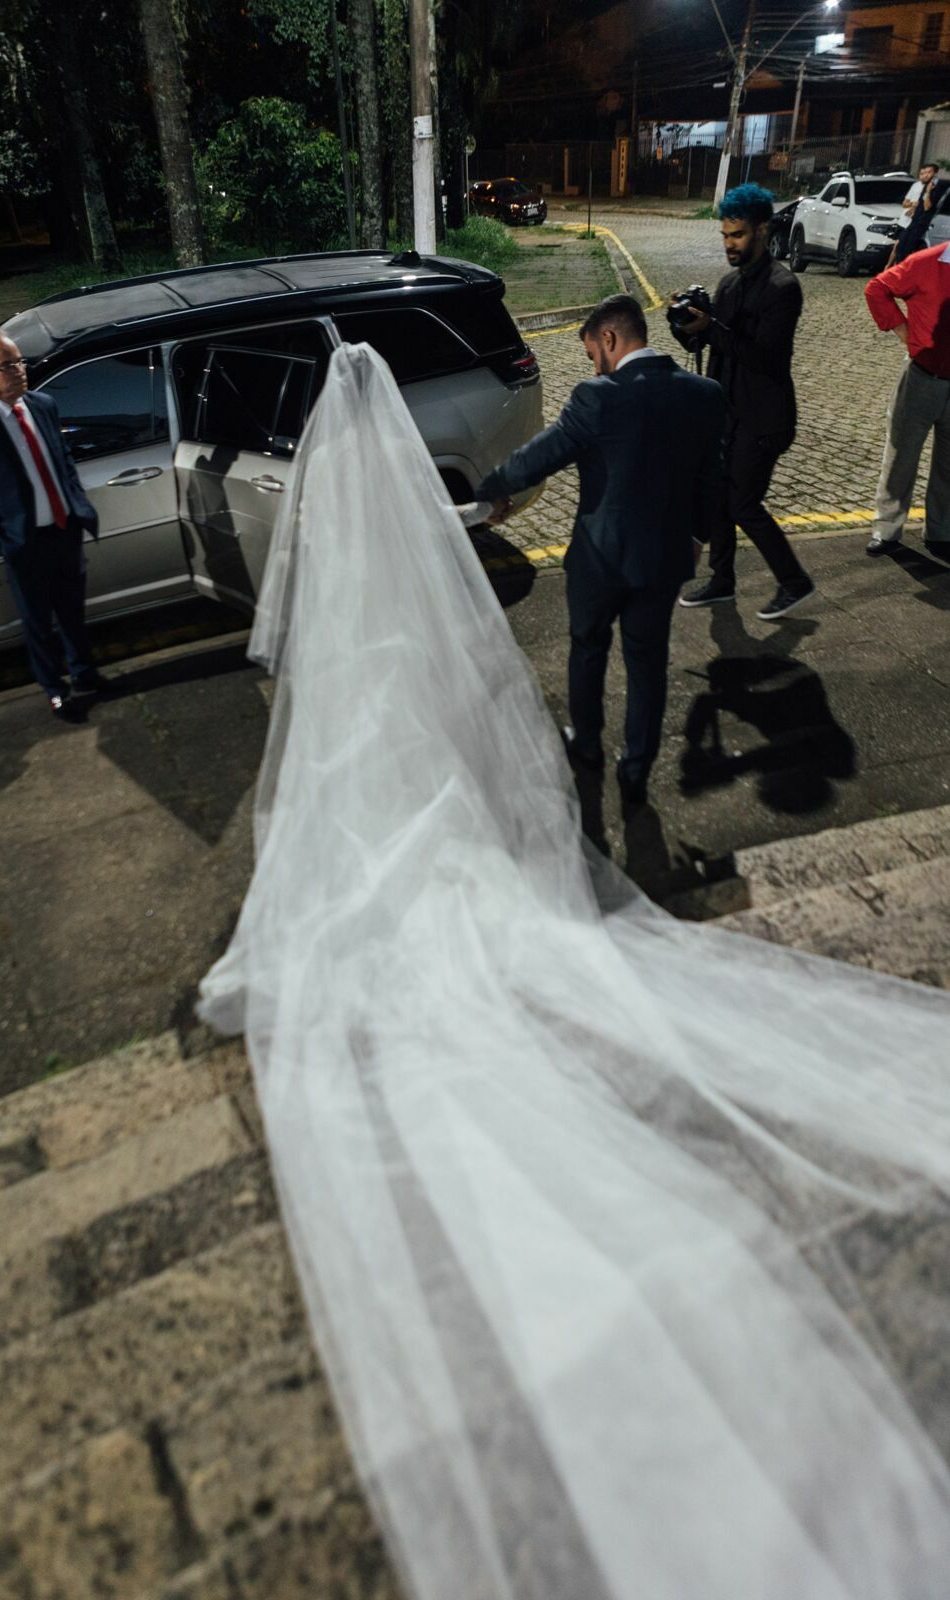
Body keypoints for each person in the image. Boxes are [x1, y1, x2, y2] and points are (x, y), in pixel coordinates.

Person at [198, 341, 950, 1600]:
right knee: (631, 676)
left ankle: (576, 762)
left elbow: (506, 492)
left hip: (554, 589)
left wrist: (464, 501)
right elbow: (701, 492)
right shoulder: (703, 393)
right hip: (654, 564)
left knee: (558, 683)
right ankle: (625, 768)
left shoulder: (497, 439)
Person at [472, 293, 724, 806]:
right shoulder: (705, 394)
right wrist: (697, 537)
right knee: (647, 665)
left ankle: (587, 745)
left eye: (592, 354)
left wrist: (490, 491)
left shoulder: (598, 397)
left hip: (599, 562)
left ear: (608, 338)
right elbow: (712, 481)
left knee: (588, 650)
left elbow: (539, 456)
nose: (595, 364)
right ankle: (636, 770)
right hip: (663, 561)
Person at [0, 327, 109, 720]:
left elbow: (62, 461)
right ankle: (55, 690)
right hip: (23, 541)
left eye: (21, 362)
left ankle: (85, 675)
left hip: (64, 528)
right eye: (9, 365)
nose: (21, 370)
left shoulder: (43, 405)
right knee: (38, 623)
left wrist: (77, 504)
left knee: (72, 613)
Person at [670, 182, 815, 622]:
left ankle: (795, 582)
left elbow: (764, 356)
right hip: (727, 412)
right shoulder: (729, 283)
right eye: (725, 236)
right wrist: (686, 327)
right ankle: (721, 581)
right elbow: (711, 346)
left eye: (737, 235)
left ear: (762, 230)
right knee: (718, 499)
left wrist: (710, 328)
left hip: (765, 417)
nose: (729, 244)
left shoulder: (783, 287)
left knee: (743, 505)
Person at [863, 241, 950, 555]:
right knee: (901, 456)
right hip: (922, 376)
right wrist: (903, 331)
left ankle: (941, 533)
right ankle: (887, 530)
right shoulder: (927, 262)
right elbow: (877, 289)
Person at [892, 162, 948, 264]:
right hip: (914, 221)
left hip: (921, 223)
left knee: (908, 249)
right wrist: (914, 208)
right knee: (900, 247)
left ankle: (904, 273)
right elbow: (918, 204)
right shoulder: (925, 186)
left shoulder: (935, 187)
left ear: (935, 173)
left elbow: (927, 207)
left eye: (929, 172)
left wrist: (928, 192)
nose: (926, 175)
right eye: (924, 172)